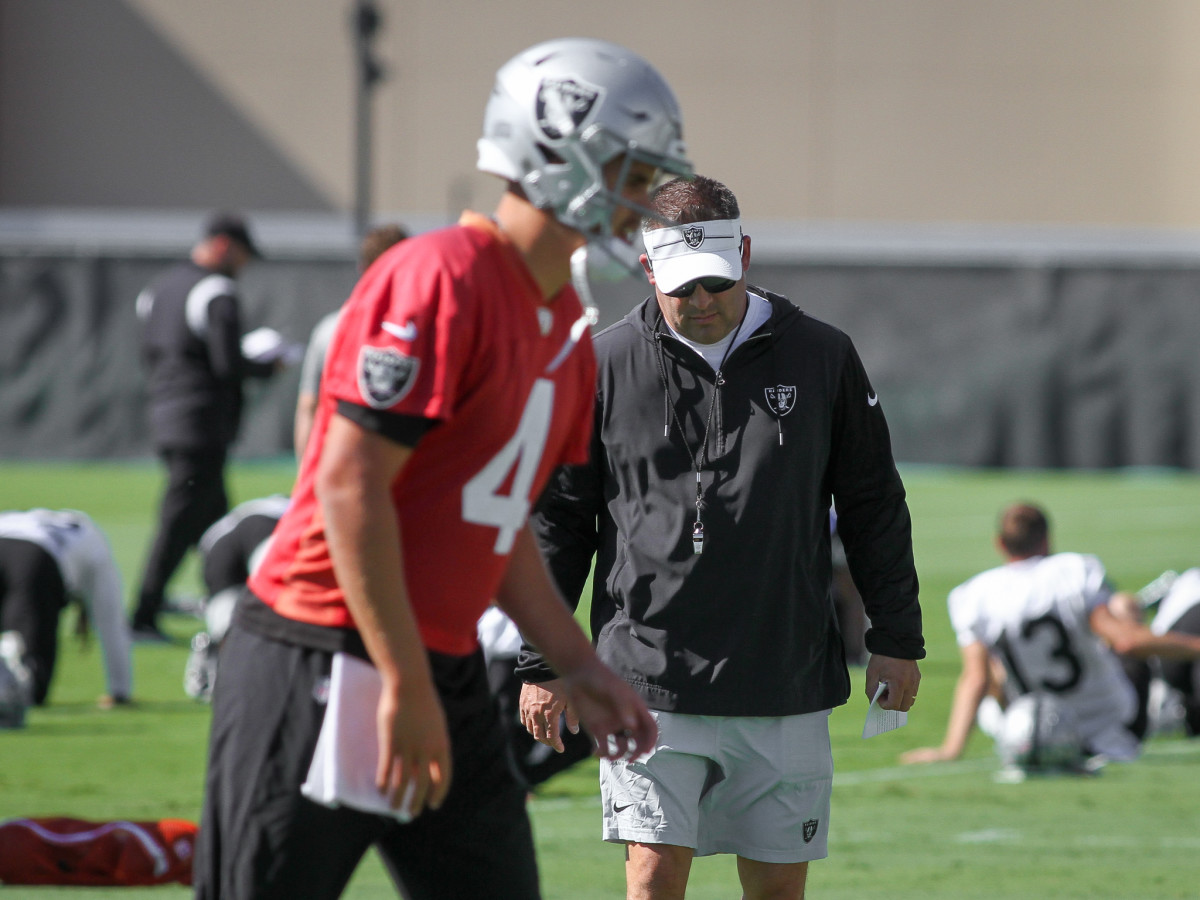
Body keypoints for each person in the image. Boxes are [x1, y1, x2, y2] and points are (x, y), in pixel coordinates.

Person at [194, 37, 694, 900]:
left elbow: (497, 534)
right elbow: (352, 489)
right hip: (320, 651)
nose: (642, 197)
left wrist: (579, 664)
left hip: (439, 660)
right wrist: (403, 679)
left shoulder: (566, 330)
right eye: (631, 168)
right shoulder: (440, 276)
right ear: (557, 148)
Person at [517, 175, 924, 900]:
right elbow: (561, 522)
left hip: (784, 674)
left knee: (775, 891)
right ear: (647, 269)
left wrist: (897, 635)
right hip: (645, 676)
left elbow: (873, 504)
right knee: (651, 878)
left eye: (717, 283)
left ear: (743, 252)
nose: (702, 302)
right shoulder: (600, 365)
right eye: (683, 288)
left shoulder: (823, 355)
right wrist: (542, 661)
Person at [901, 503, 1200, 768]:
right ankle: (1165, 700)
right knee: (1123, 608)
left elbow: (976, 679)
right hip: (1111, 723)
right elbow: (1127, 641)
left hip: (1032, 729)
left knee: (994, 667)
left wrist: (950, 750)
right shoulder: (1074, 569)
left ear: (1000, 544)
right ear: (1046, 539)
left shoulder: (972, 594)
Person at [130, 213, 281, 641]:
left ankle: (226, 597)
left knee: (217, 521)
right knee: (181, 517)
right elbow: (227, 364)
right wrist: (271, 366)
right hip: (200, 421)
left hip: (167, 412)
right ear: (222, 245)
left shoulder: (159, 287)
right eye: (243, 255)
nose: (244, 265)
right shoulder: (216, 290)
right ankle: (142, 613)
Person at [294, 223, 410, 459]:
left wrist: (304, 476)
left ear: (362, 267)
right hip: (393, 468)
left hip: (335, 466)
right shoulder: (423, 333)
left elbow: (308, 406)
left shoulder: (331, 328)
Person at [0, 508, 133, 709]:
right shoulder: (92, 536)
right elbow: (110, 621)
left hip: (9, 541)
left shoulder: (21, 518)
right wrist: (120, 691)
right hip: (36, 559)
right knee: (30, 688)